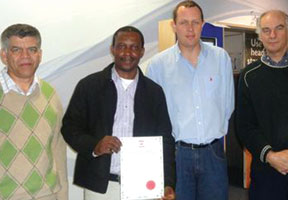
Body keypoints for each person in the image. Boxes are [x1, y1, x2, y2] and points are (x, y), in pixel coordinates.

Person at [61, 26, 175, 200]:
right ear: (112, 49)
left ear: (142, 51)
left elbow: (165, 139)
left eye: (134, 47)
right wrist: (94, 145)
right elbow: (70, 128)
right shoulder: (89, 86)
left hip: (143, 186)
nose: (127, 52)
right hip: (101, 187)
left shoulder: (154, 92)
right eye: (121, 46)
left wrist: (167, 182)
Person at [146, 1, 235, 200]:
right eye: (184, 22)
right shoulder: (158, 66)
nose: (190, 28)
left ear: (203, 25)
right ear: (174, 25)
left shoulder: (221, 59)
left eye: (195, 22)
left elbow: (228, 105)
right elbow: (153, 116)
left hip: (213, 153)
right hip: (176, 156)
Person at [0, 24, 68, 200]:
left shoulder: (50, 94)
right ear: (4, 55)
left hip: (47, 195)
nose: (25, 56)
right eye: (17, 50)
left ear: (40, 54)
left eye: (32, 49)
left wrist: (62, 196)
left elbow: (58, 150)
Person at [237, 10, 288, 200]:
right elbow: (244, 126)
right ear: (260, 35)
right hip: (265, 172)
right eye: (266, 30)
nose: (272, 35)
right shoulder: (249, 75)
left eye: (279, 28)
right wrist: (271, 156)